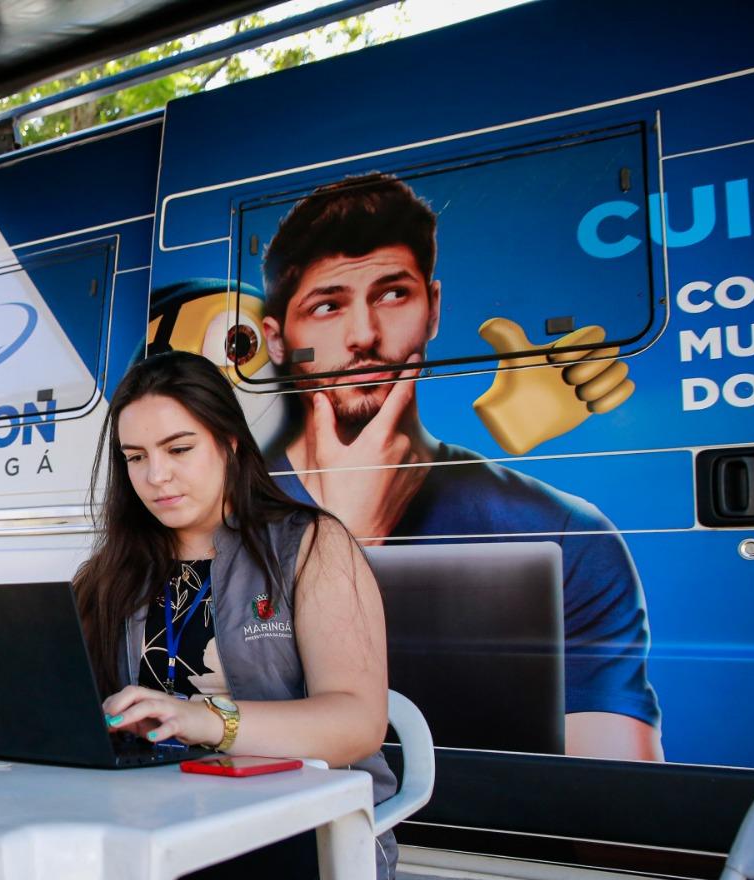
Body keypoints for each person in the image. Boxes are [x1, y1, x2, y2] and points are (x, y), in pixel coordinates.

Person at [0, 350, 396, 880]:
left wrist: (210, 720)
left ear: (230, 442)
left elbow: (357, 722)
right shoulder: (110, 574)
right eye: (135, 457)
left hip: (284, 825)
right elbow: (80, 711)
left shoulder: (310, 545)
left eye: (178, 448)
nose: (155, 476)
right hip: (145, 820)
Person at [257, 174, 664, 761]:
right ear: (276, 340)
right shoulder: (226, 514)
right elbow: (228, 709)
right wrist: (351, 537)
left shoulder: (564, 534)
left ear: (433, 308)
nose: (364, 335)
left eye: (393, 295)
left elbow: (617, 787)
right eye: (327, 306)